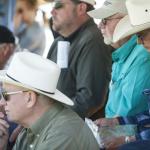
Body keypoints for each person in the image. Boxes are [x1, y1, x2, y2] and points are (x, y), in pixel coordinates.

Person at [0, 52, 99, 150]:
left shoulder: (62, 134)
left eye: (5, 95)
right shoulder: (30, 128)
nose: (1, 103)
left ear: (30, 98)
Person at [96, 0, 150, 149]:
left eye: (142, 34)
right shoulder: (135, 52)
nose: (139, 42)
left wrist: (128, 139)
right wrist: (119, 122)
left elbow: (132, 107)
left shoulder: (144, 56)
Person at [47, 0, 112, 119]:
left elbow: (89, 100)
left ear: (81, 8)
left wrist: (48, 120)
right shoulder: (58, 42)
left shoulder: (94, 40)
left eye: (58, 5)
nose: (52, 11)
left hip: (75, 131)